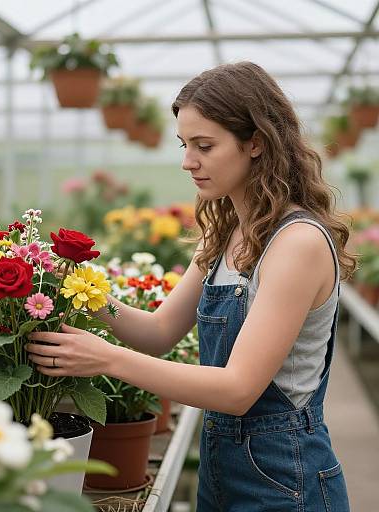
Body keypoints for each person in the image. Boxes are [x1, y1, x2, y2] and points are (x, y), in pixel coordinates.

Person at [26, 61, 355, 511]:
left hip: (285, 476)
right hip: (222, 464)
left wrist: (105, 358)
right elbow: (158, 332)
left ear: (256, 142)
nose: (187, 162)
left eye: (205, 145)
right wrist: (79, 289)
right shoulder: (224, 234)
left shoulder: (296, 242)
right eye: (185, 145)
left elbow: (238, 390)